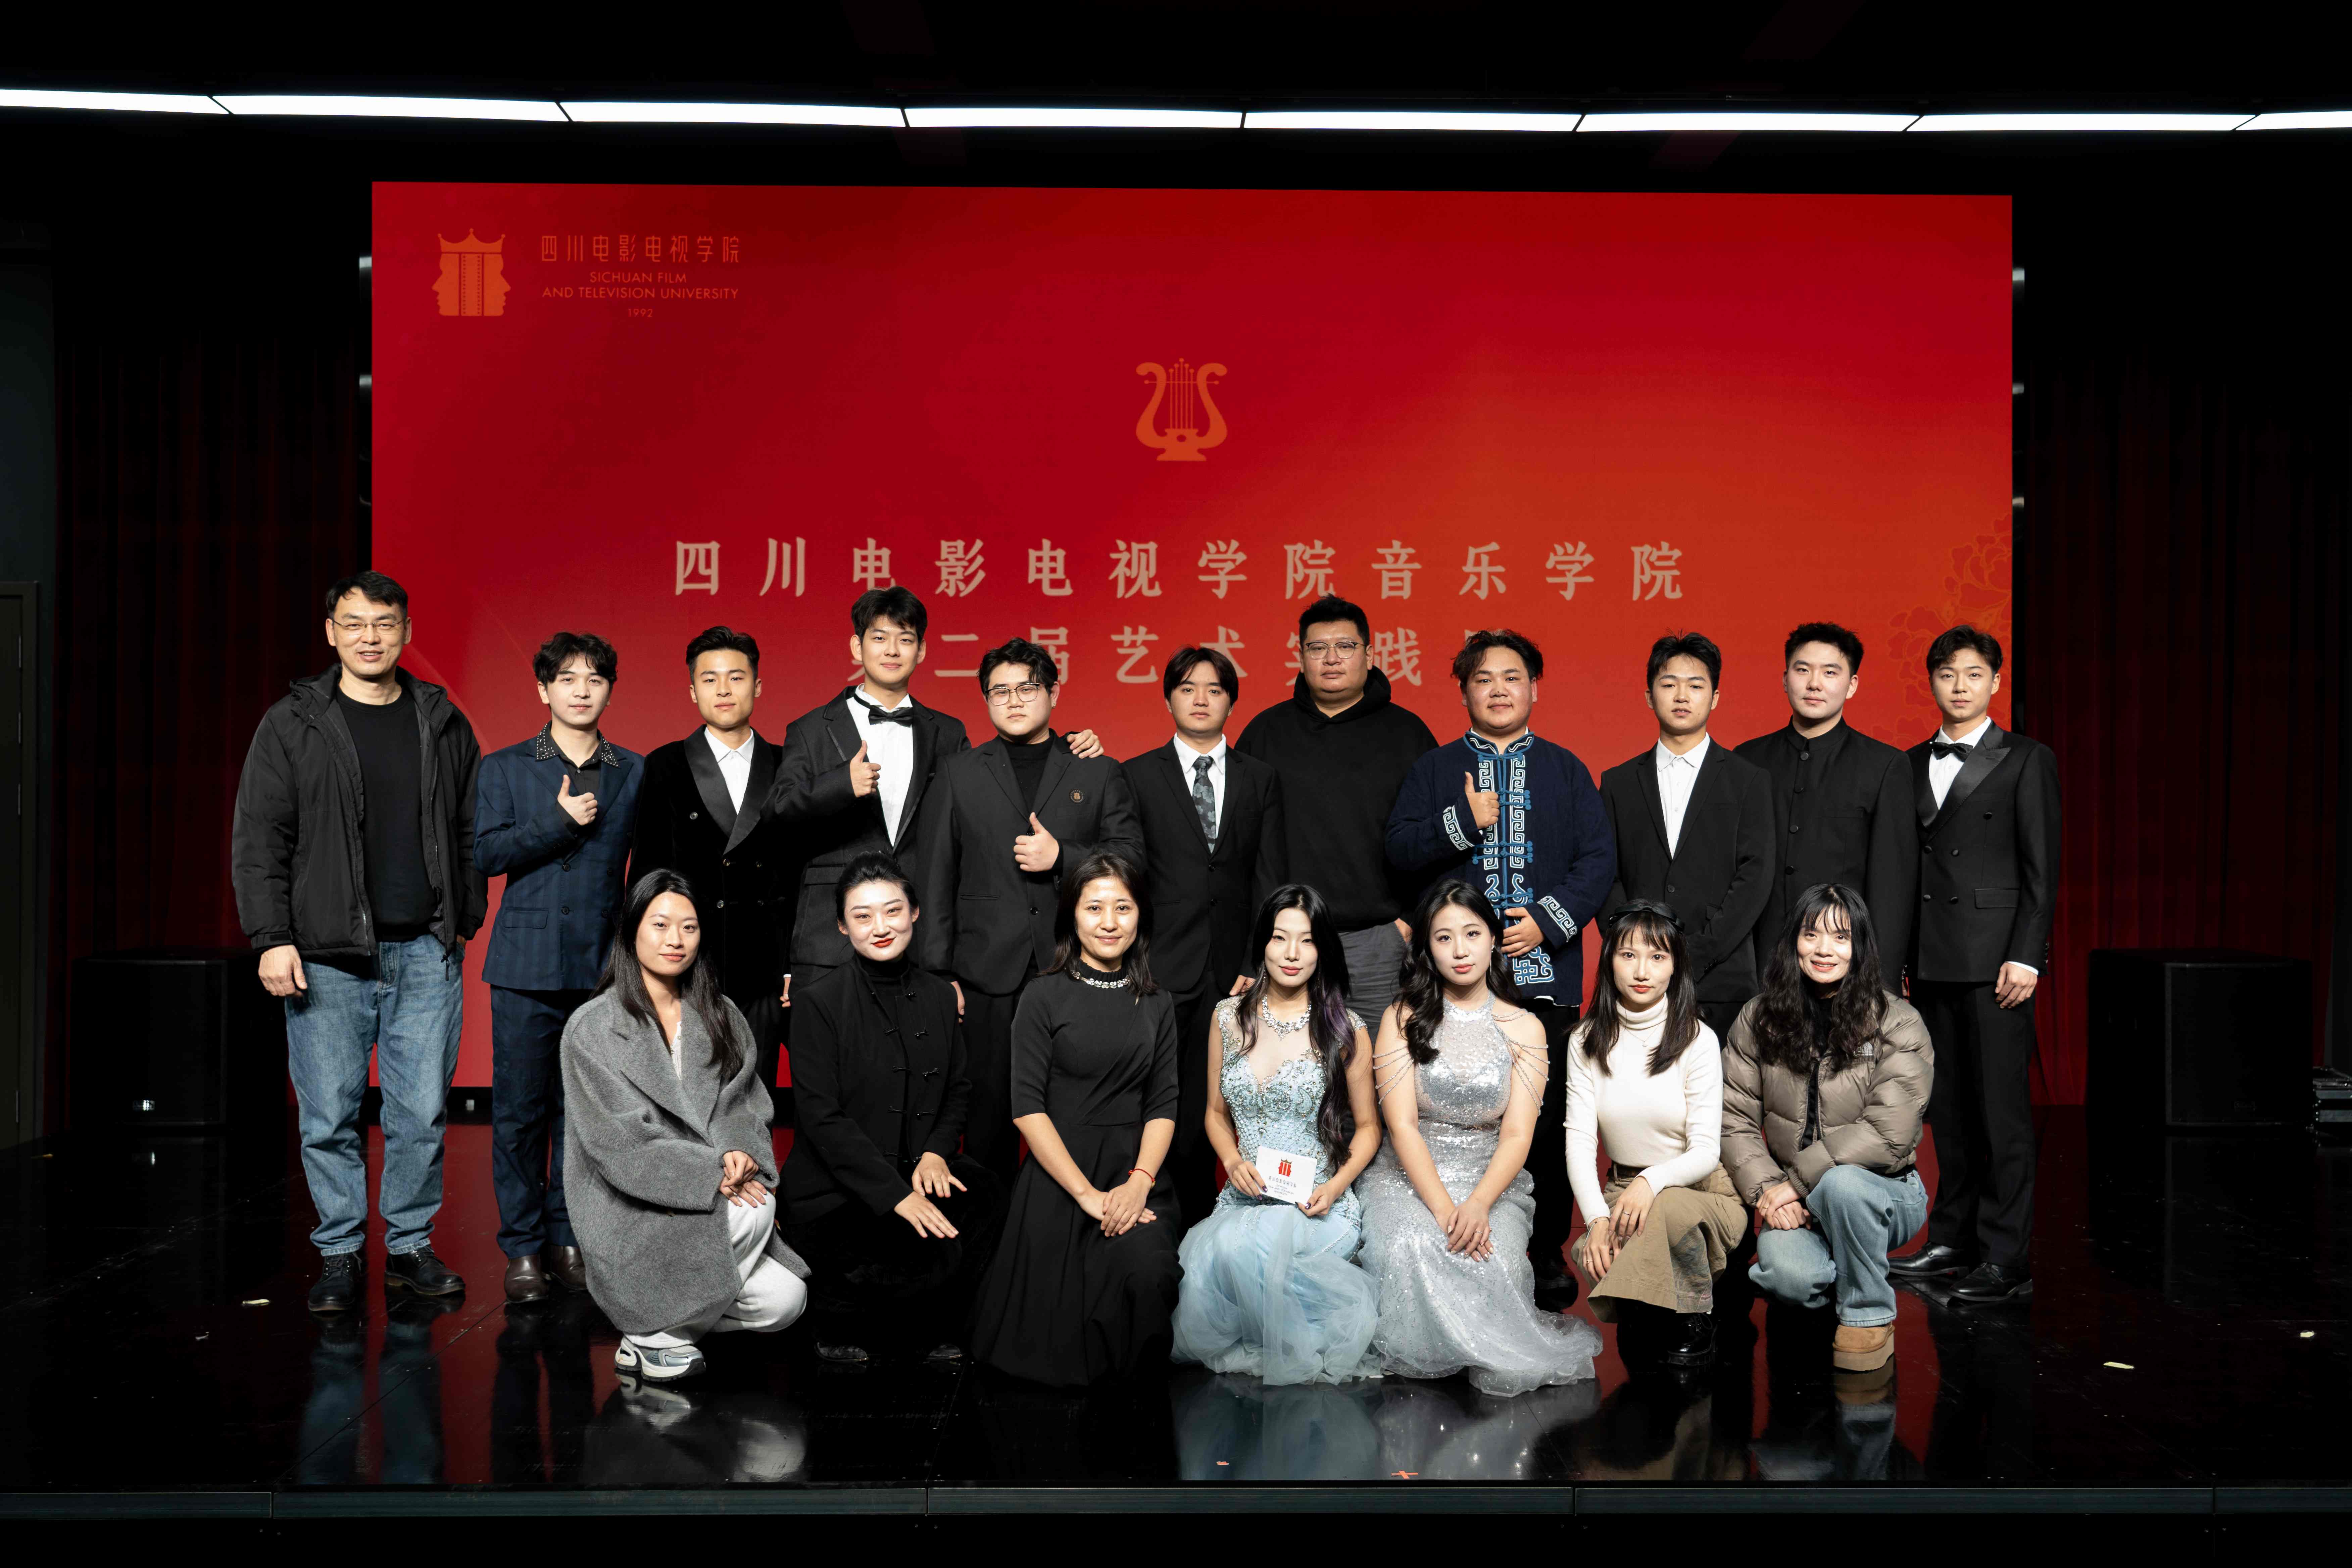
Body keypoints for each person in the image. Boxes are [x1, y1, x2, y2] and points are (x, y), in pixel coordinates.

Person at [232, 570, 486, 1313]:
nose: (369, 637)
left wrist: (462, 918)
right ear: (331, 632)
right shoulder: (293, 723)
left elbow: (471, 827)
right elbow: (260, 837)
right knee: (329, 1117)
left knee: (421, 1114)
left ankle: (409, 1247)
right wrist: (271, 937)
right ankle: (340, 1253)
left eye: (384, 623)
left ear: (406, 632)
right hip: (325, 957)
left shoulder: (442, 719)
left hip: (425, 952)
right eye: (354, 623)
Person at [1386, 628, 1616, 1311]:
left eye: (1511, 677)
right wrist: (1463, 819)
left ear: (1534, 688)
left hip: (1544, 974)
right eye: (1483, 678)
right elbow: (1398, 850)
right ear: (1463, 690)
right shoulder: (1435, 769)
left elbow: (1598, 860)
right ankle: (1450, 1226)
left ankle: (1542, 1250)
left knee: (1546, 1119)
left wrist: (1547, 919)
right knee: (1453, 1104)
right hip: (1453, 982)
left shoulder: (1566, 770)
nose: (1498, 690)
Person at [1354, 879, 1603, 1396]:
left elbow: (1517, 1135)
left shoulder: (1526, 1028)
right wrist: (1447, 1210)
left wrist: (1478, 1204)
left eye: (1472, 934)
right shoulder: (1401, 1018)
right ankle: (1423, 1358)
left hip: (1491, 1178)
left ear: (1494, 939)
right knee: (1408, 1246)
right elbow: (1401, 1126)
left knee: (1497, 1261)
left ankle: (1470, 1349)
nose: (1460, 950)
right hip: (1408, 1175)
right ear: (1427, 949)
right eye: (1444, 938)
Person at [560, 870, 809, 1383]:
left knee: (786, 1299)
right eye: (660, 925)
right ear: (632, 931)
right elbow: (620, 1145)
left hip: (710, 1194)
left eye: (689, 927)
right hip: (634, 1208)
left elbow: (744, 1105)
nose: (676, 939)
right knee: (753, 1213)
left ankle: (656, 1333)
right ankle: (651, 1329)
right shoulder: (591, 1027)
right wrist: (711, 1172)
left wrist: (738, 1150)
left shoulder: (722, 1015)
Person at [914, 637, 1145, 1182]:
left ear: (1053, 693)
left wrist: (1062, 857)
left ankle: (1071, 1227)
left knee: (1075, 1114)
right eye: (1000, 692)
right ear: (986, 700)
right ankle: (990, 1234)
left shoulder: (1096, 769)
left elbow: (1133, 860)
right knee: (988, 1118)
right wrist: (939, 972)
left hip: (1074, 969)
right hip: (984, 973)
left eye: (1027, 688)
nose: (1013, 701)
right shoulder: (959, 773)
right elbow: (937, 876)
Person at [1886, 625, 2059, 1305]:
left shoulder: (2026, 758)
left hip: (1997, 964)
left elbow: (2042, 869)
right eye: (1946, 673)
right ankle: (1952, 1238)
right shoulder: (1907, 763)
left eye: (1972, 673)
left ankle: (2007, 1255)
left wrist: (2026, 954)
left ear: (1995, 681)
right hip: (1931, 960)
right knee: (1949, 1113)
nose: (1958, 686)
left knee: (2001, 1114)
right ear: (1930, 681)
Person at [473, 631, 643, 1304]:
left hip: (600, 966)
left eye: (595, 679)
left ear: (610, 691)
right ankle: (521, 1247)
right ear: (543, 689)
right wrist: (558, 822)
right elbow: (487, 854)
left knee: (583, 1115)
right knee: (519, 1113)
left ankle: (568, 1237)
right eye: (567, 678)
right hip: (523, 966)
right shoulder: (506, 766)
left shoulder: (632, 769)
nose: (581, 689)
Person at [969, 852, 1183, 1386]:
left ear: (1141, 916)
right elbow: (1027, 1109)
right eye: (1094, 908)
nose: (1110, 922)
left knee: (1147, 1272)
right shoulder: (1042, 995)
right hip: (1060, 1174)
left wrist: (1140, 1183)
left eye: (1123, 908)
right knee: (1052, 1337)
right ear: (1071, 915)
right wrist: (1087, 1195)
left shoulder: (1159, 1003)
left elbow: (1163, 1104)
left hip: (1135, 1171)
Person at [782, 852, 1004, 1364]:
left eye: (893, 911)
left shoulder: (941, 997)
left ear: (915, 913)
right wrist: (897, 1196)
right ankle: (841, 1317)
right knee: (885, 1253)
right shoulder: (818, 1002)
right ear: (843, 926)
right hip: (837, 1190)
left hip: (915, 1167)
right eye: (862, 916)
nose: (880, 928)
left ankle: (925, 1321)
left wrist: (936, 1154)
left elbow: (958, 1089)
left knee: (986, 1195)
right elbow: (821, 1118)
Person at [1173, 884, 1382, 1385]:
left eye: (1307, 941)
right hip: (1246, 1200)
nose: (1292, 953)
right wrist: (1232, 1161)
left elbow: (1370, 1128)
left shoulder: (1346, 1028)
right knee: (1217, 1256)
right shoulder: (1228, 1017)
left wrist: (1337, 1186)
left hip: (1317, 1204)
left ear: (1322, 949)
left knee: (1252, 1257)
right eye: (1280, 938)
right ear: (1262, 943)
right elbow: (1215, 1114)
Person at [1722, 883, 1933, 1373]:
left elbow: (1890, 1132)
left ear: (1860, 947)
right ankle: (1844, 1273)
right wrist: (1768, 1188)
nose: (1824, 949)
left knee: (1842, 1186)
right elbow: (1733, 1118)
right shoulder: (1758, 1018)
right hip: (1797, 1204)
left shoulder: (1899, 1022)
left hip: (1884, 1193)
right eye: (1811, 934)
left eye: (1841, 937)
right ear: (1793, 942)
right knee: (1788, 1278)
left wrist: (1794, 1182)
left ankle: (1868, 1315)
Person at [1122, 645, 1288, 1222]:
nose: (1200, 699)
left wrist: (1255, 960)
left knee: (1217, 1106)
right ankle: (1158, 1225)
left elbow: (1269, 877)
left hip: (1231, 970)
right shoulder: (1136, 775)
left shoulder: (1260, 778)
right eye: (1187, 688)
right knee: (1155, 1103)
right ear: (1168, 698)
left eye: (1214, 689)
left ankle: (1205, 1229)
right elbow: (1128, 872)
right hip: (1157, 967)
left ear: (1231, 702)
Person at [1237, 594, 1439, 1024]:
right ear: (1301, 657)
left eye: (1346, 646)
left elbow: (1435, 839)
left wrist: (1407, 921)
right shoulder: (1264, 734)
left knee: (1381, 1062)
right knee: (1291, 1063)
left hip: (1378, 943)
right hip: (1288, 943)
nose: (1331, 658)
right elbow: (1242, 847)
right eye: (1318, 648)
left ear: (1370, 654)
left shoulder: (1409, 735)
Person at [1565, 901, 1748, 1368]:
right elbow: (1580, 1142)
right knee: (1598, 1248)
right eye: (1628, 955)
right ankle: (1654, 1297)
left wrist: (1652, 1180)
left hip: (1699, 1190)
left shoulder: (1699, 1039)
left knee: (1665, 1211)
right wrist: (1597, 1220)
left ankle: (1691, 1314)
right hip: (1622, 1191)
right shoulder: (1586, 1040)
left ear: (1675, 965)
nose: (1642, 971)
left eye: (1658, 957)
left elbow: (1706, 1151)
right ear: (1609, 960)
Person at [770, 587, 969, 1008]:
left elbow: (969, 830)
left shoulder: (949, 733)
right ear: (856, 647)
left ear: (921, 650)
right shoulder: (810, 729)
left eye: (905, 639)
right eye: (879, 638)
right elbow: (779, 811)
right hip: (830, 937)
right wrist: (841, 784)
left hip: (920, 937)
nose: (892, 650)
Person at [629, 627, 793, 1099]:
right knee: (690, 1100)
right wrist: (649, 965)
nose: (723, 689)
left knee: (756, 1099)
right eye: (710, 679)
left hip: (766, 965)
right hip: (690, 961)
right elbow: (647, 873)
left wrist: (793, 963)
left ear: (757, 686)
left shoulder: (787, 764)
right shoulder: (664, 765)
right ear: (692, 691)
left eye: (736, 677)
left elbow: (801, 871)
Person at [1600, 631, 1776, 1040]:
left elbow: (1755, 876)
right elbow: (1605, 872)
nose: (1682, 696)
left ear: (1715, 698)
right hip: (1637, 982)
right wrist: (1633, 951)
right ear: (1649, 697)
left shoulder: (1748, 780)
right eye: (1669, 685)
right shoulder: (1618, 782)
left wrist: (1698, 951)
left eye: (1696, 686)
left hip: (1722, 980)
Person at [1733, 622, 1918, 977]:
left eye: (1830, 672)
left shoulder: (1884, 765)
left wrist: (1881, 981)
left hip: (1843, 961)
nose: (1815, 684)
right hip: (1760, 960)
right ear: (1785, 679)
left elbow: (1892, 886)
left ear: (1852, 685)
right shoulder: (1748, 759)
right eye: (1803, 670)